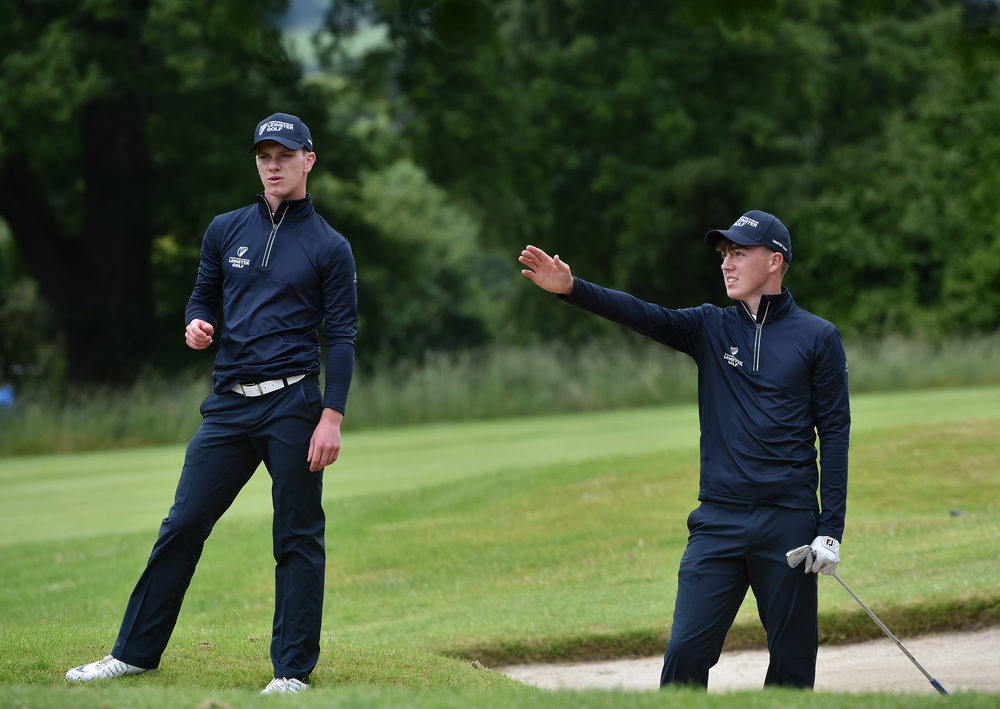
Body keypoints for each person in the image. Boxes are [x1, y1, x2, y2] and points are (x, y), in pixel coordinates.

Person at [65, 112, 358, 694]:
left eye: (284, 155)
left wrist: (331, 416)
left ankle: (292, 672)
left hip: (294, 403)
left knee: (297, 535)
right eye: (264, 156)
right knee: (183, 524)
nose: (272, 165)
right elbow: (203, 294)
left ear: (308, 161)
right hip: (228, 405)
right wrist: (196, 322)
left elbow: (343, 336)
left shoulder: (330, 246)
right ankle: (134, 654)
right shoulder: (226, 229)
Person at [518, 210, 850, 689]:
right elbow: (642, 313)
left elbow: (835, 433)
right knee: (685, 652)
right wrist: (574, 288)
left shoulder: (818, 337)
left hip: (789, 522)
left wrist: (830, 529)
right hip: (718, 522)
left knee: (793, 661)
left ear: (775, 261)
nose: (727, 264)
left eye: (739, 253)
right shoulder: (709, 327)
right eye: (724, 254)